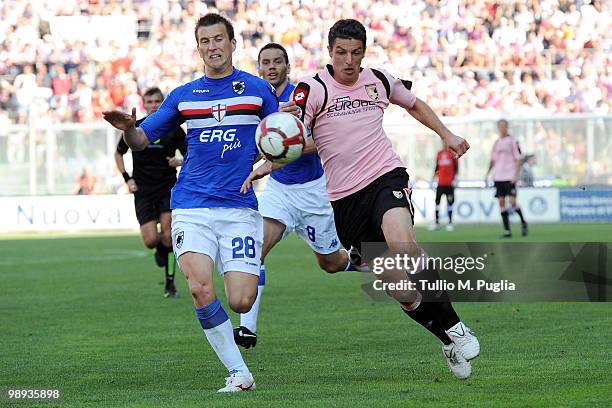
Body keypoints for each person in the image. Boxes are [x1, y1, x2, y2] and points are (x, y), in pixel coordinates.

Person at [242, 19, 479, 380]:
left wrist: (446, 133)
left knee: (404, 243)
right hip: (344, 199)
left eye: (355, 53)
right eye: (341, 53)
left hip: (385, 177)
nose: (348, 61)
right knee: (402, 291)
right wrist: (270, 159)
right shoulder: (313, 88)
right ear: (330, 52)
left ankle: (457, 327)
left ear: (364, 53)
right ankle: (446, 339)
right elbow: (298, 136)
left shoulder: (379, 80)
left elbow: (413, 105)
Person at [103, 13, 278, 392]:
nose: (212, 47)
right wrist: (130, 128)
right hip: (191, 205)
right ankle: (239, 373)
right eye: (205, 41)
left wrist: (265, 166)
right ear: (197, 48)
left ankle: (237, 316)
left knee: (242, 301)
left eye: (219, 40)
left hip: (238, 207)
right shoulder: (183, 95)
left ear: (233, 44)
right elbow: (141, 141)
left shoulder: (258, 90)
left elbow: (286, 138)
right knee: (200, 288)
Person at [233, 43, 367, 350]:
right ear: (259, 67)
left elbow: (320, 139)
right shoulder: (257, 102)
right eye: (265, 62)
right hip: (279, 192)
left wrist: (271, 161)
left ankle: (367, 260)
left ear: (287, 66)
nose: (271, 67)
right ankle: (248, 329)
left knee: (331, 263)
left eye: (277, 61)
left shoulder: (302, 96)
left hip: (312, 192)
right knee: (255, 248)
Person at [114, 86, 186, 298]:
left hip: (167, 187)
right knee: (151, 240)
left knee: (168, 233)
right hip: (144, 190)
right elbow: (118, 154)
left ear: (163, 103)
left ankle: (170, 284)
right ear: (144, 104)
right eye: (150, 102)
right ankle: (160, 250)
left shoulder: (173, 128)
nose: (153, 105)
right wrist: (128, 179)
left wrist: (178, 161)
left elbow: (190, 154)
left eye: (157, 102)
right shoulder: (135, 127)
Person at [485, 119, 528, 237]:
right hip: (498, 177)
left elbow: (519, 159)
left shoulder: (513, 141)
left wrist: (516, 175)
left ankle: (523, 222)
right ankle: (507, 230)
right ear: (498, 128)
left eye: (504, 126)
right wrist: (487, 174)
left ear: (507, 127)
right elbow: (493, 160)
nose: (502, 128)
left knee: (513, 202)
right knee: (501, 202)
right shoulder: (496, 143)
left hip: (510, 176)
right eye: (500, 126)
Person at [428, 147, 458, 231]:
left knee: (450, 203)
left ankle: (450, 223)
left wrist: (455, 179)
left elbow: (456, 167)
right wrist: (433, 179)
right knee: (437, 202)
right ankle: (436, 222)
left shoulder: (452, 153)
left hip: (449, 183)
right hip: (440, 183)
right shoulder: (439, 153)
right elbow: (437, 167)